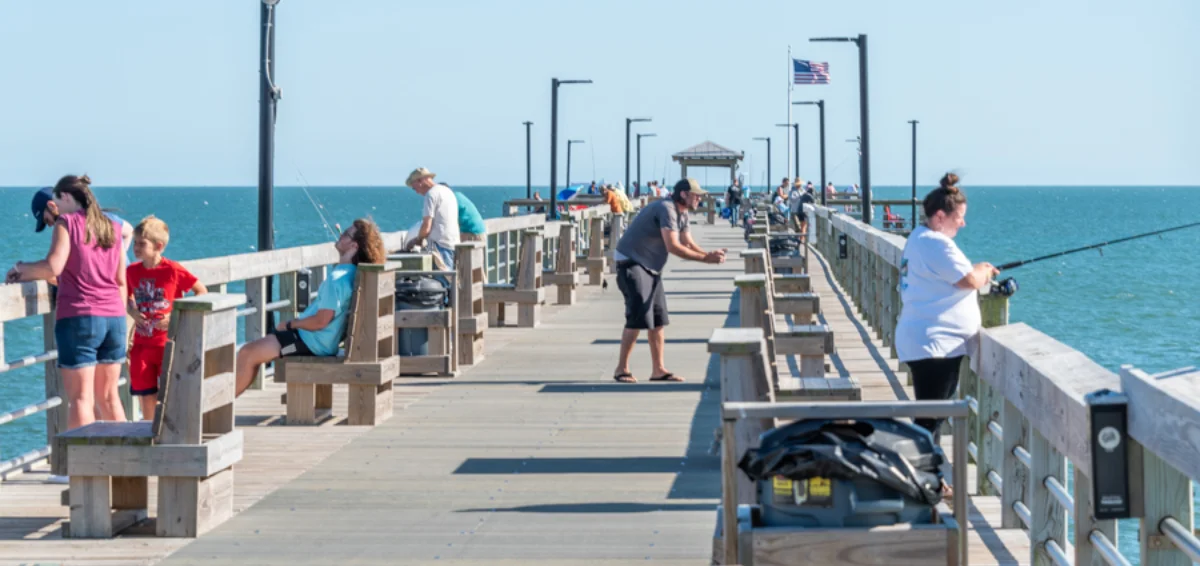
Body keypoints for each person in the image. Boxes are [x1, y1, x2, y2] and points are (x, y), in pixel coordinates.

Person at [7, 175, 129, 437]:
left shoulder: (68, 222)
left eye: (56, 203)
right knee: (109, 398)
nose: (55, 212)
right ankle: (127, 467)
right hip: (114, 318)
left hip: (80, 317)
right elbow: (120, 279)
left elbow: (54, 266)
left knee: (81, 399)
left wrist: (20, 268)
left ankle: (81, 471)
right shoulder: (112, 226)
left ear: (64, 197)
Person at [895, 173, 997, 472]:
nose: (962, 223)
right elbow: (968, 280)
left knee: (932, 415)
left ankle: (927, 477)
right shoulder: (936, 244)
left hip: (930, 342)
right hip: (934, 345)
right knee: (931, 417)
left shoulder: (919, 238)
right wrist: (985, 270)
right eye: (959, 217)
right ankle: (921, 477)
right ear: (941, 217)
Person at [235, 219, 387, 396]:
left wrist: (291, 324)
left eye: (346, 233)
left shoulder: (337, 279)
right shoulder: (351, 275)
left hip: (311, 342)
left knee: (247, 353)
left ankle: (224, 407)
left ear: (353, 245)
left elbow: (321, 321)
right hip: (324, 341)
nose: (341, 235)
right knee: (253, 353)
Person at [611, 179, 726, 384]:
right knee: (637, 315)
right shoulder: (666, 209)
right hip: (631, 262)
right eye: (696, 194)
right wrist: (706, 260)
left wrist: (708, 254)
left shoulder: (682, 212)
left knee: (657, 319)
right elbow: (673, 246)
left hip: (651, 266)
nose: (699, 198)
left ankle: (658, 370)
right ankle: (622, 369)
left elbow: (687, 241)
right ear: (683, 194)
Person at [126, 215, 207, 420]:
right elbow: (125, 296)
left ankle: (171, 430)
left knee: (171, 390)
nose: (135, 248)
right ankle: (149, 429)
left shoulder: (172, 270)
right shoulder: (131, 271)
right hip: (142, 343)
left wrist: (174, 315)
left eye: (141, 244)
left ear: (158, 246)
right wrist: (132, 310)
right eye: (134, 243)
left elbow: (201, 291)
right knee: (145, 393)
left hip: (167, 342)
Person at [32, 186, 134, 267]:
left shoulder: (75, 227)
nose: (50, 225)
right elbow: (129, 231)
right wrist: (116, 257)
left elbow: (54, 268)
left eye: (47, 220)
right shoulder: (103, 217)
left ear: (52, 205)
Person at [403, 167, 460, 270]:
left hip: (439, 246)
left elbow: (426, 226)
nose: (416, 191)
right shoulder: (447, 191)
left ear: (420, 181)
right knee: (450, 281)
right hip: (453, 244)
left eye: (414, 187)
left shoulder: (431, 195)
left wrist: (417, 240)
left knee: (439, 281)